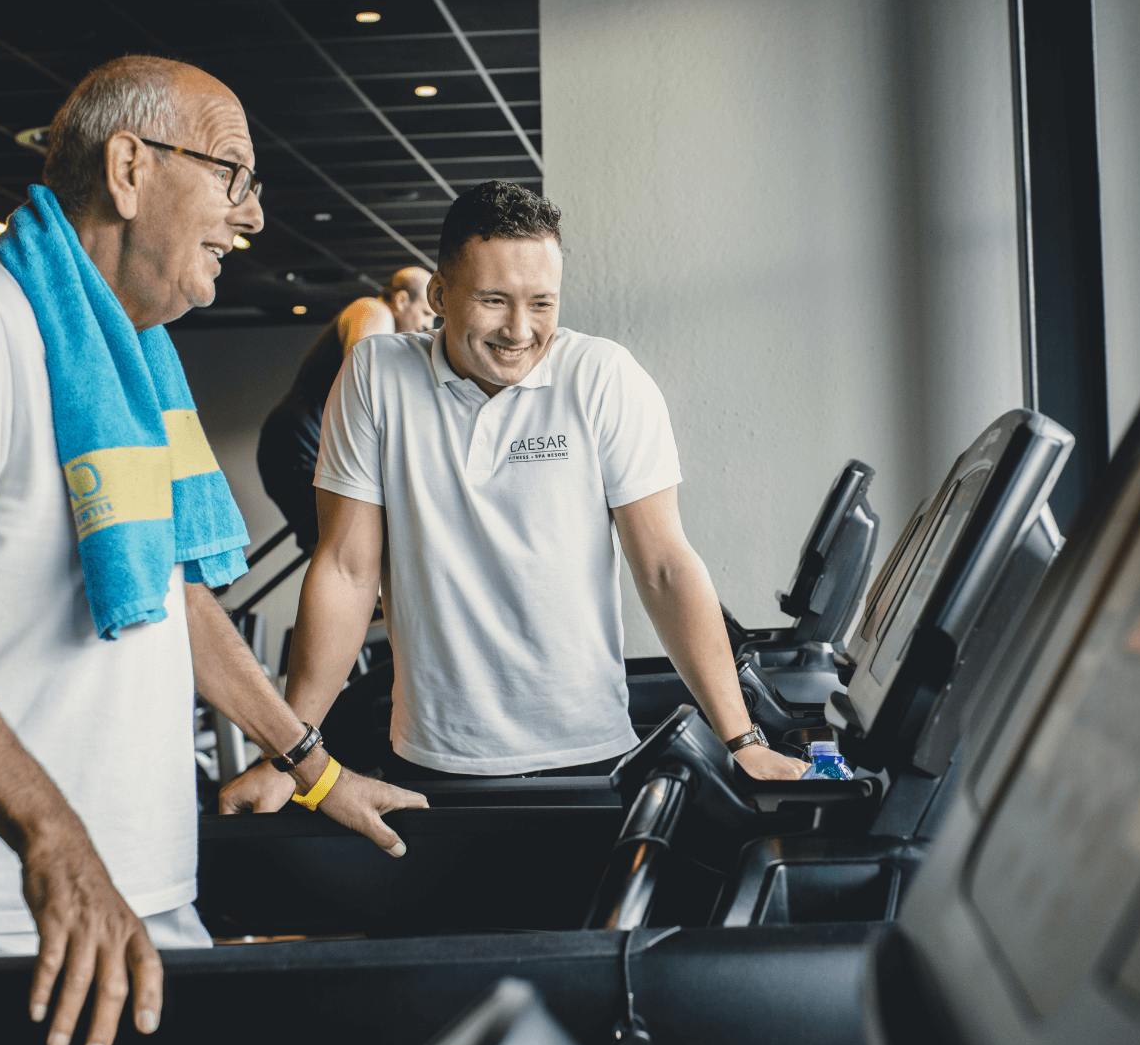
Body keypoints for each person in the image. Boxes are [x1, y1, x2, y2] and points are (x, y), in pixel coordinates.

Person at [0, 55, 425, 1045]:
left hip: (127, 872)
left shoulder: (130, 358)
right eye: (233, 174)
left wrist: (311, 767)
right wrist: (50, 836)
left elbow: (172, 600)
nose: (253, 216)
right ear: (130, 166)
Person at [220, 181, 806, 806]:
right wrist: (291, 757)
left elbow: (664, 567)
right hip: (431, 757)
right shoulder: (376, 375)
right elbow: (345, 568)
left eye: (541, 303)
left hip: (589, 754)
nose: (519, 330)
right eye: (494, 301)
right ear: (440, 295)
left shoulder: (604, 377)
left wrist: (741, 740)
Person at [257, 296, 392, 553]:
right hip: (296, 443)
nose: (426, 322)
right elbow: (364, 385)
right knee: (343, 550)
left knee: (341, 548)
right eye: (423, 311)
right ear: (403, 299)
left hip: (292, 440)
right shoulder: (375, 310)